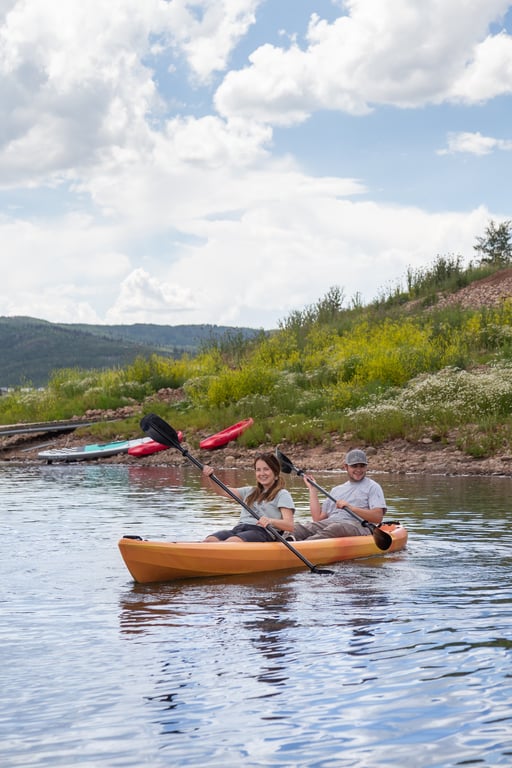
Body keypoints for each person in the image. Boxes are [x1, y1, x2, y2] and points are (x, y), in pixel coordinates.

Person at [292, 448, 386, 540]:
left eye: (362, 466)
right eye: (354, 466)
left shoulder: (373, 487)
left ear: (366, 467)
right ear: (346, 467)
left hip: (358, 526)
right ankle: (289, 540)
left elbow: (377, 517)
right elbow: (317, 519)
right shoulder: (336, 490)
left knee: (336, 528)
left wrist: (351, 508)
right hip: (331, 523)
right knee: (298, 528)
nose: (358, 469)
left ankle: (304, 545)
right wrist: (312, 489)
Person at [201, 453, 295, 542]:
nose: (262, 473)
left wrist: (270, 521)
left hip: (263, 532)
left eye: (266, 469)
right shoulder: (249, 491)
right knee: (210, 540)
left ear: (275, 473)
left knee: (232, 541)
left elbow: (289, 525)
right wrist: (211, 476)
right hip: (239, 529)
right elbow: (221, 491)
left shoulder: (282, 494)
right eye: (258, 470)